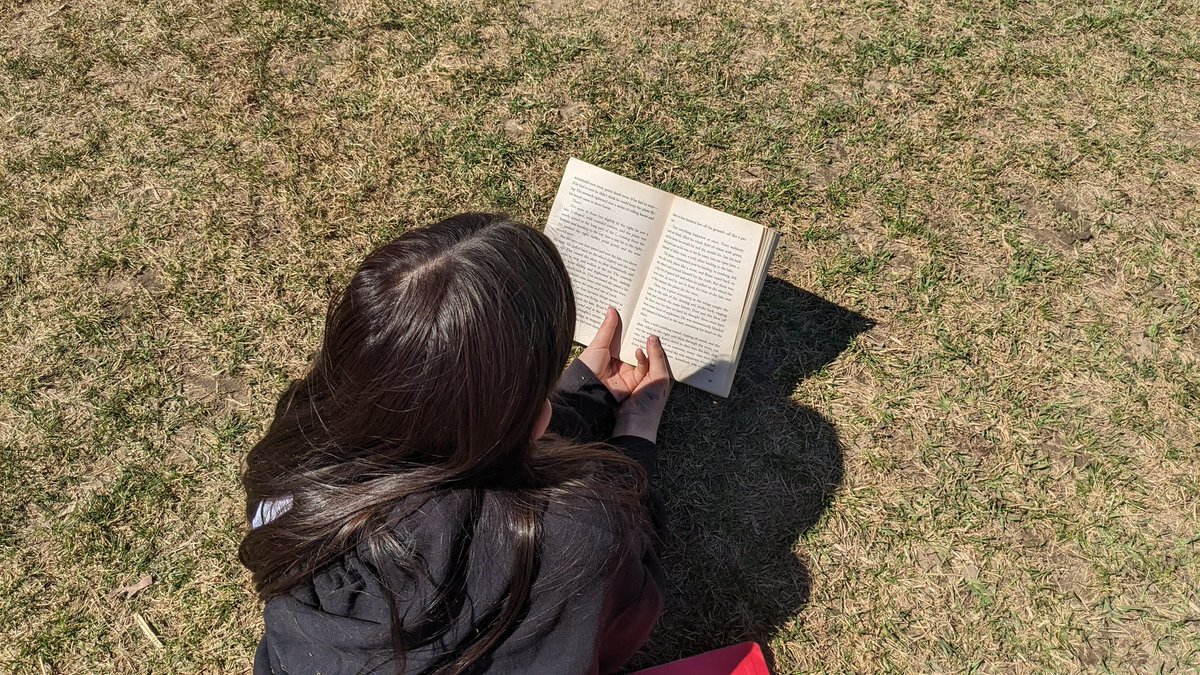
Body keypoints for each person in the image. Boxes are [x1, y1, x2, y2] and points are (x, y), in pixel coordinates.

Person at [239, 212, 673, 674]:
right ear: (537, 418)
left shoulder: (296, 444)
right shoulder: (578, 537)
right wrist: (635, 440)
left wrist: (579, 393)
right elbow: (627, 621)